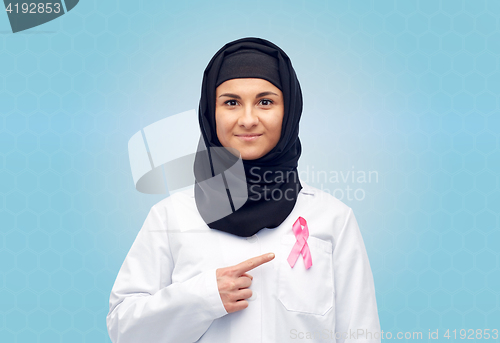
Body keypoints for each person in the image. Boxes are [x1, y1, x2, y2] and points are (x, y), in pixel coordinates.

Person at [106, 37, 381, 343]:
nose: (248, 119)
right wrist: (205, 296)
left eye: (265, 102)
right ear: (210, 114)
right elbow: (123, 328)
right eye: (231, 102)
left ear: (289, 112)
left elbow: (361, 334)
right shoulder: (171, 217)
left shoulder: (332, 219)